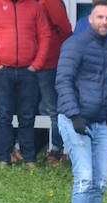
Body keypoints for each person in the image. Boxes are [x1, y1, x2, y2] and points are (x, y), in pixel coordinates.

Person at [56, 0, 107, 203]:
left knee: (101, 181)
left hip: (99, 122)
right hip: (74, 119)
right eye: (100, 17)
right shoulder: (75, 44)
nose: (104, 22)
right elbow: (63, 80)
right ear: (90, 19)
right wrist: (74, 114)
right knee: (84, 177)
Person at [0, 0, 51, 168]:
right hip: (3, 70)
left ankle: (29, 158)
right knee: (4, 116)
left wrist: (37, 64)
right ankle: (3, 157)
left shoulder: (34, 6)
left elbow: (45, 35)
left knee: (27, 116)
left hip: (28, 70)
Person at [34, 0, 72, 163]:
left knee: (52, 108)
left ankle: (56, 149)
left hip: (49, 61)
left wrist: (60, 52)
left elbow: (65, 30)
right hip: (41, 60)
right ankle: (52, 147)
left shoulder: (50, 1)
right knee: (45, 106)